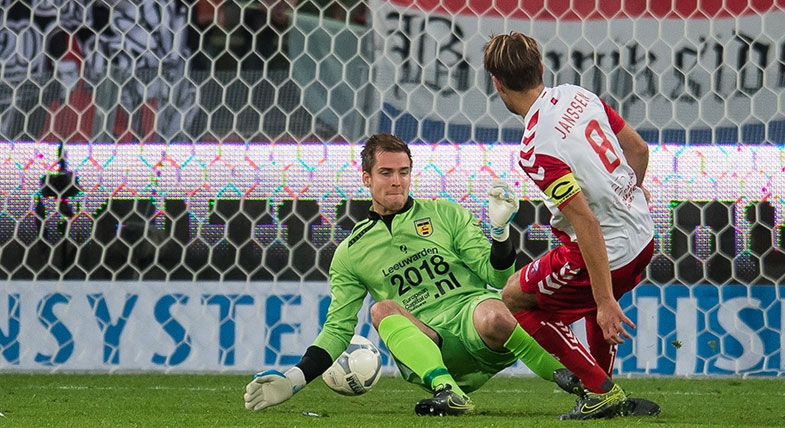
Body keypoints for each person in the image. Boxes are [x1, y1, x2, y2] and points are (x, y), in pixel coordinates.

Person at [244, 133, 586, 417]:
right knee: (381, 310)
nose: (397, 181)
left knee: (494, 308)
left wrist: (499, 233)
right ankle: (449, 394)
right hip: (431, 348)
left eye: (404, 172)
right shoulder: (351, 252)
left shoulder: (445, 214)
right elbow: (337, 330)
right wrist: (294, 379)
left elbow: (497, 278)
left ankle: (581, 383)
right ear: (366, 178)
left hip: (478, 330)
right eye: (386, 172)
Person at [483, 31, 661, 419]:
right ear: (542, 69)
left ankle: (599, 391)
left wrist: (604, 301)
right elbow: (639, 150)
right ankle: (606, 392)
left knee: (514, 296)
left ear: (496, 83)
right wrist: (632, 196)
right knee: (581, 295)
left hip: (606, 248)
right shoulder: (578, 95)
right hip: (644, 236)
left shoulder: (535, 149)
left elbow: (586, 222)